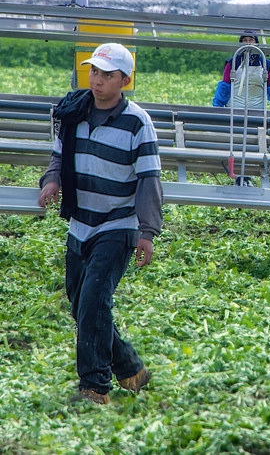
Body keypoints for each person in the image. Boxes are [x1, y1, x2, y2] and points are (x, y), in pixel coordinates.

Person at [37, 43, 163, 405]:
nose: (98, 80)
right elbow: (59, 156)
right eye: (94, 72)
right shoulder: (74, 111)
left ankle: (94, 388)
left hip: (117, 222)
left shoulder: (137, 121)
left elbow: (149, 179)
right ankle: (130, 367)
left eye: (107, 75)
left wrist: (147, 232)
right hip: (81, 221)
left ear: (125, 80)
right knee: (80, 304)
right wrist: (52, 180)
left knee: (94, 299)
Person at [212, 30, 270, 111]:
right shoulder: (233, 62)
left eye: (251, 40)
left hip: (258, 111)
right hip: (235, 110)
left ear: (256, 43)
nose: (248, 43)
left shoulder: (264, 63)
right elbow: (224, 89)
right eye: (245, 40)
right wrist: (218, 109)